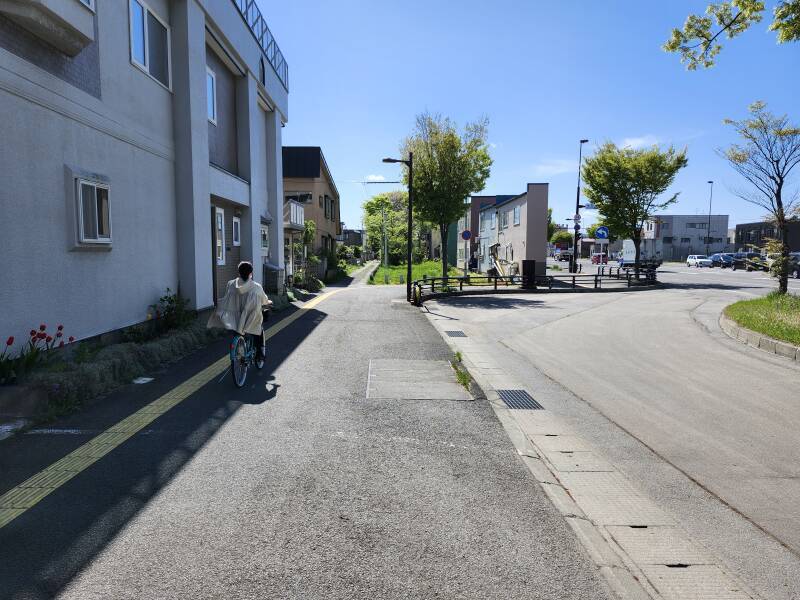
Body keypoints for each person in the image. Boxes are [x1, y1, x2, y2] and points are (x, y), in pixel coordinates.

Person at [207, 261, 272, 361]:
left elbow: (227, 299)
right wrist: (268, 302)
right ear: (251, 273)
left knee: (237, 333)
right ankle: (259, 354)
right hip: (249, 319)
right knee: (258, 329)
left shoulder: (231, 284)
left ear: (239, 272)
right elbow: (264, 300)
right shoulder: (257, 287)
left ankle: (240, 353)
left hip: (235, 319)